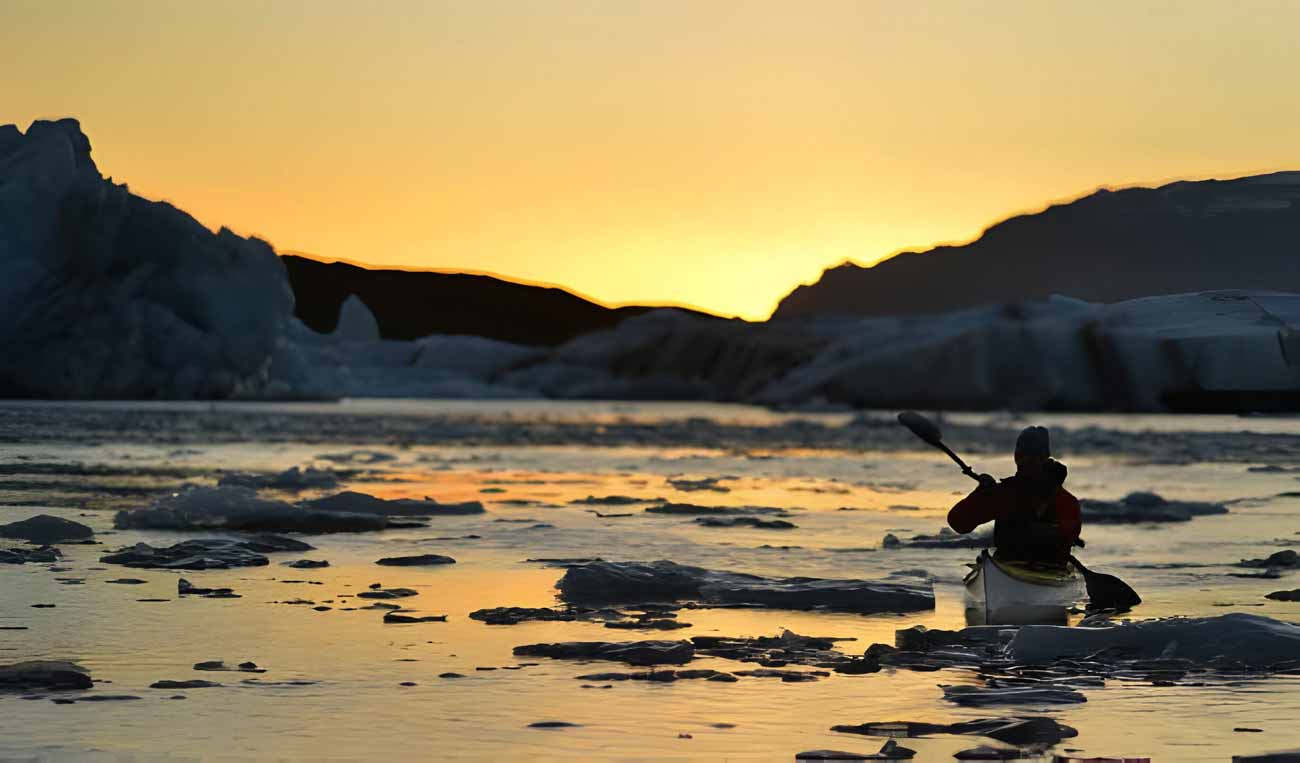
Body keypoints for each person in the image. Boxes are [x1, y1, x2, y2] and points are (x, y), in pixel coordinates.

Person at [946, 426, 1081, 566]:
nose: (1027, 460)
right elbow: (958, 523)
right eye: (1023, 455)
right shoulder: (1005, 493)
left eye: (1035, 456)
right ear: (1016, 457)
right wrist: (980, 493)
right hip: (1009, 566)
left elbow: (1069, 533)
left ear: (1045, 459)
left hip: (1051, 569)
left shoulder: (1064, 500)